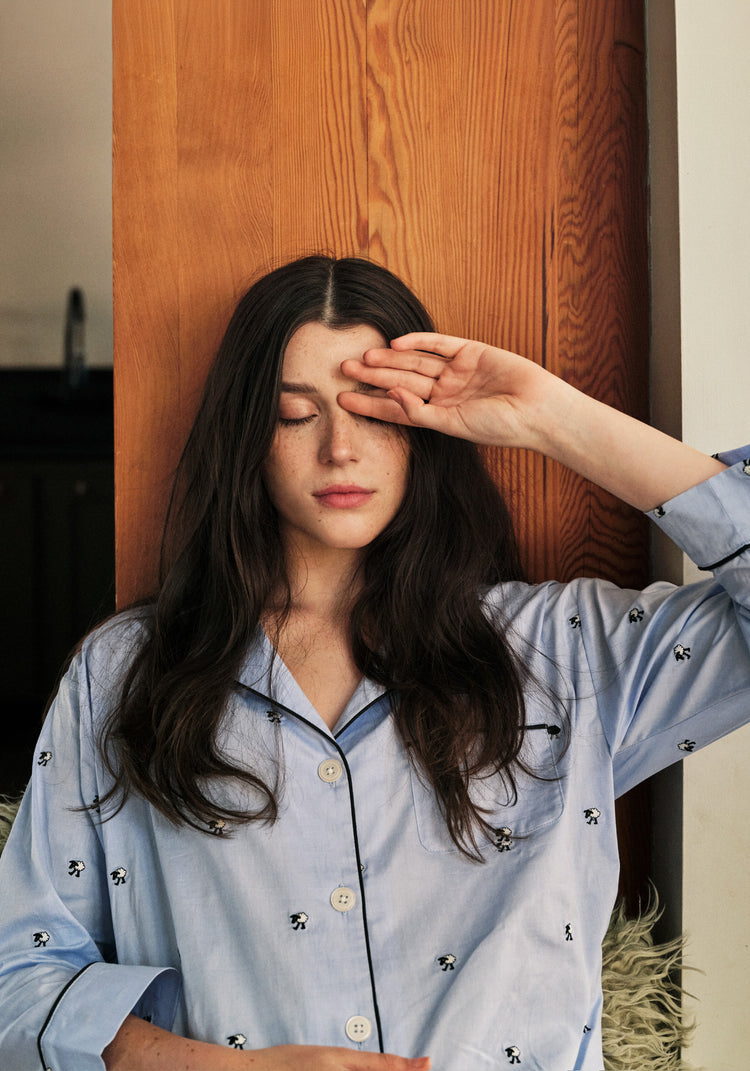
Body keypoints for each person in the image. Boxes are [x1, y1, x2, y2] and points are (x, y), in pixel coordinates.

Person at [0, 255, 748, 1071]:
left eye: (376, 411)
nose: (340, 448)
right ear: (246, 435)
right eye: (294, 413)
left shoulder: (565, 652)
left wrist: (554, 416)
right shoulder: (125, 675)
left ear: (428, 430)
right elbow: (18, 981)